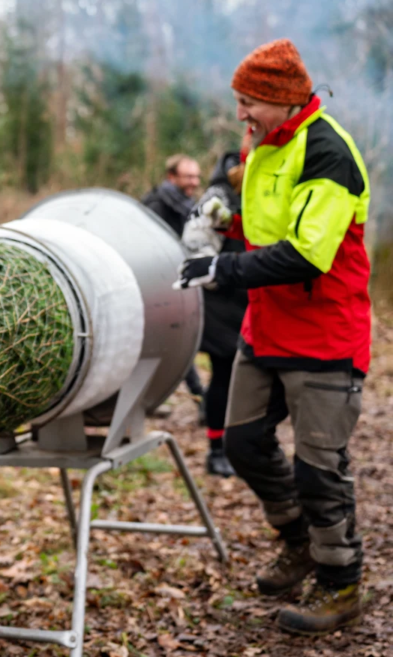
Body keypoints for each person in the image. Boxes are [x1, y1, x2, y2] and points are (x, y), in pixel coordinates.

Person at [176, 39, 370, 635]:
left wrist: (222, 269)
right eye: (238, 101)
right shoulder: (264, 142)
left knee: (319, 469)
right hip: (267, 326)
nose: (241, 115)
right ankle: (299, 543)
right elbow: (261, 217)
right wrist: (220, 217)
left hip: (325, 331)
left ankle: (341, 583)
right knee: (242, 445)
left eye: (249, 102)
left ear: (283, 101)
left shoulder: (329, 152)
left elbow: (308, 253)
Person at [181, 146, 249, 478]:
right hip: (222, 303)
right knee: (223, 375)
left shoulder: (260, 195)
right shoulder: (217, 198)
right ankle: (216, 449)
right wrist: (221, 277)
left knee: (244, 379)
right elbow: (194, 244)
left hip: (251, 300)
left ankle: (239, 446)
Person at [142, 154, 207, 408]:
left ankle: (200, 396)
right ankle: (198, 395)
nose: (194, 181)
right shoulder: (156, 205)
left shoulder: (186, 205)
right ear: (171, 177)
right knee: (175, 338)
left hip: (181, 280)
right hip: (159, 284)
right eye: (188, 176)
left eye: (196, 176)